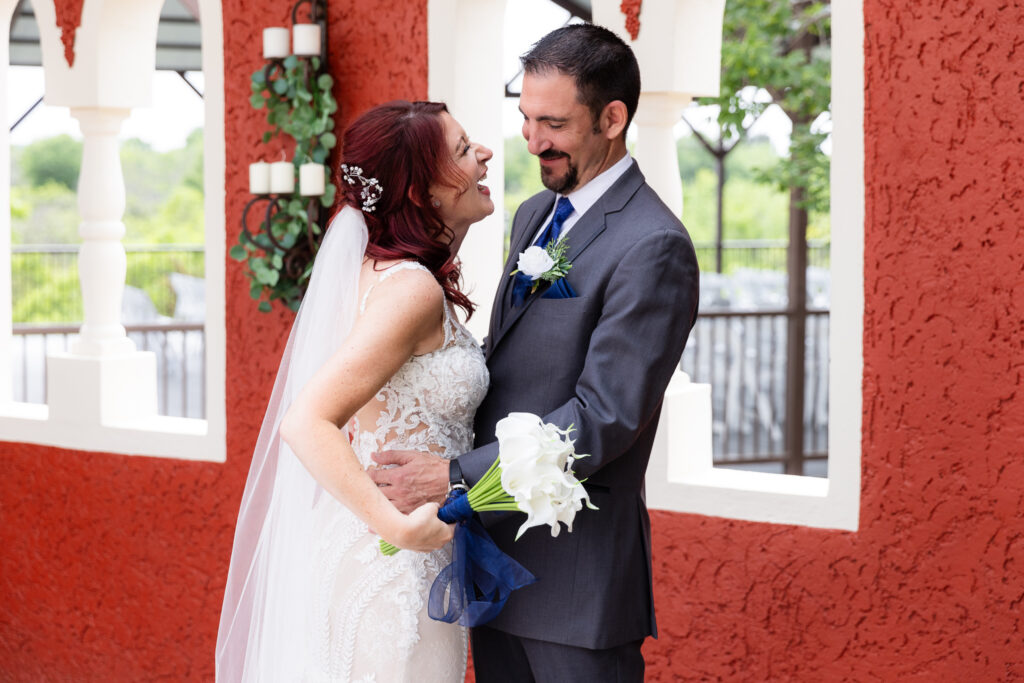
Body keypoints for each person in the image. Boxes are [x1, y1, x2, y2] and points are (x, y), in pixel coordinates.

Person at [370, 24, 700, 681]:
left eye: (553, 122)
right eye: (524, 116)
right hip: (495, 570)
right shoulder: (531, 216)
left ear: (612, 118)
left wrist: (454, 475)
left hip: (578, 588)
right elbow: (510, 364)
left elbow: (604, 416)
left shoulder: (653, 245)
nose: (531, 139)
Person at [216, 100, 494, 682]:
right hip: (392, 571)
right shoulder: (410, 290)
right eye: (465, 150)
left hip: (390, 556)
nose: (485, 155)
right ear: (422, 192)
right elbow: (306, 421)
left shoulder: (384, 273)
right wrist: (397, 528)